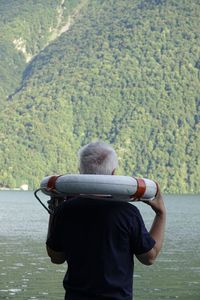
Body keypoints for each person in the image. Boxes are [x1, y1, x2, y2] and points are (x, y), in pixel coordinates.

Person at [46, 141, 166, 300]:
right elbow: (149, 257)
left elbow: (56, 257)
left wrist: (53, 212)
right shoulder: (127, 213)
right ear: (114, 174)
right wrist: (161, 213)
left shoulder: (65, 211)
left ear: (79, 173)